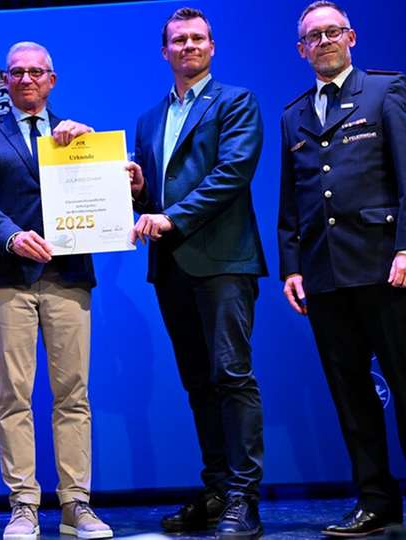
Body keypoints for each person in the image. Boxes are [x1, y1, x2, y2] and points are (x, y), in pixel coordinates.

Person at [278, 1, 406, 535]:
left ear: (352, 36)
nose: (323, 41)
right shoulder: (293, 114)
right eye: (313, 36)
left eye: (332, 31)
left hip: (387, 267)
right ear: (301, 49)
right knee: (351, 394)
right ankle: (375, 499)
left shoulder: (386, 91)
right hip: (324, 276)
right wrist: (292, 266)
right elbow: (291, 202)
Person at [0, 41, 113, 540]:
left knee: (73, 395)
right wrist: (12, 235)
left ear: (52, 80)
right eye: (16, 72)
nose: (26, 79)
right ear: (5, 81)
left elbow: (109, 193)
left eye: (36, 72)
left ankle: (76, 506)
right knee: (15, 397)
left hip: (69, 277)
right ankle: (23, 505)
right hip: (10, 279)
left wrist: (98, 154)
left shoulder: (76, 135)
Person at [127, 7, 266, 538]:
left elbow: (232, 172)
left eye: (198, 38)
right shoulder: (149, 118)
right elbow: (151, 194)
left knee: (232, 376)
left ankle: (243, 499)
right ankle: (216, 488)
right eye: (178, 40)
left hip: (224, 260)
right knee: (199, 384)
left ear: (212, 46)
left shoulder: (236, 101)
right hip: (172, 265)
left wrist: (170, 215)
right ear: (164, 51)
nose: (189, 46)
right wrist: (139, 189)